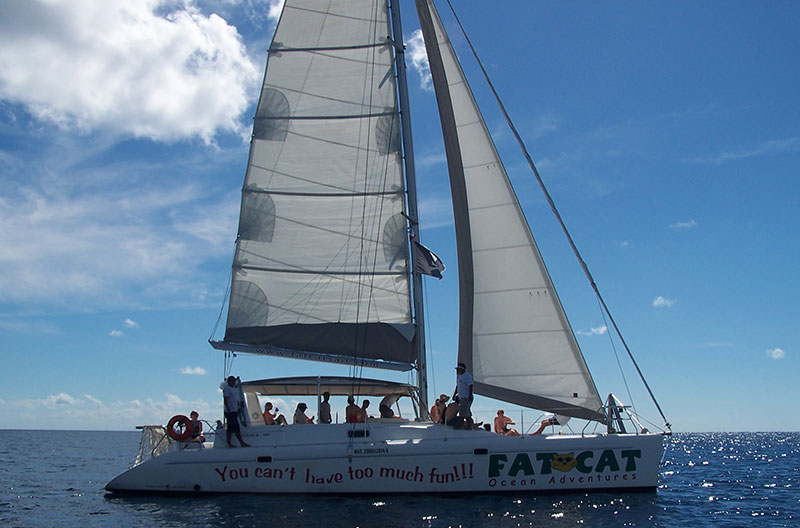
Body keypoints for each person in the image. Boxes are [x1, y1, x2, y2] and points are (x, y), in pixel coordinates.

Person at [222, 376, 250, 447]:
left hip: (234, 410)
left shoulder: (233, 389)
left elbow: (234, 399)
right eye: (233, 381)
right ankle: (241, 442)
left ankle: (229, 443)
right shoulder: (227, 389)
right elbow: (226, 398)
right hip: (230, 411)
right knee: (235, 427)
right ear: (229, 381)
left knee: (230, 428)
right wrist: (228, 408)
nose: (234, 382)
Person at [453, 362, 474, 427]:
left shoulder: (467, 376)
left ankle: (461, 426)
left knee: (463, 413)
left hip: (466, 397)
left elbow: (470, 385)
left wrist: (470, 395)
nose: (457, 371)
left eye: (458, 369)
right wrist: (454, 394)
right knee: (466, 412)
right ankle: (469, 426)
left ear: (461, 369)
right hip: (461, 397)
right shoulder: (459, 377)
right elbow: (457, 386)